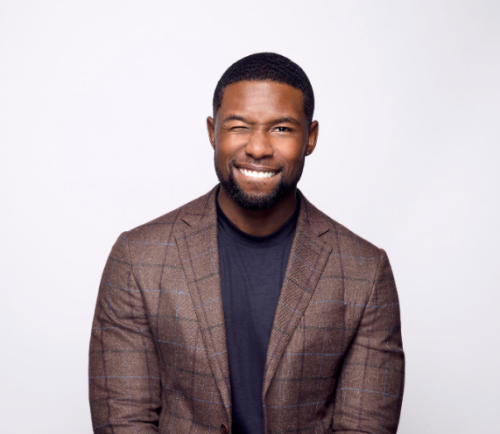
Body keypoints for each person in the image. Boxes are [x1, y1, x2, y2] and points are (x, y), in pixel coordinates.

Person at [89, 52, 405, 434]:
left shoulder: (365, 273)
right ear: (212, 132)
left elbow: (364, 428)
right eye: (239, 127)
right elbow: (125, 420)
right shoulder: (138, 258)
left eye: (282, 129)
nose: (258, 148)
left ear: (311, 137)